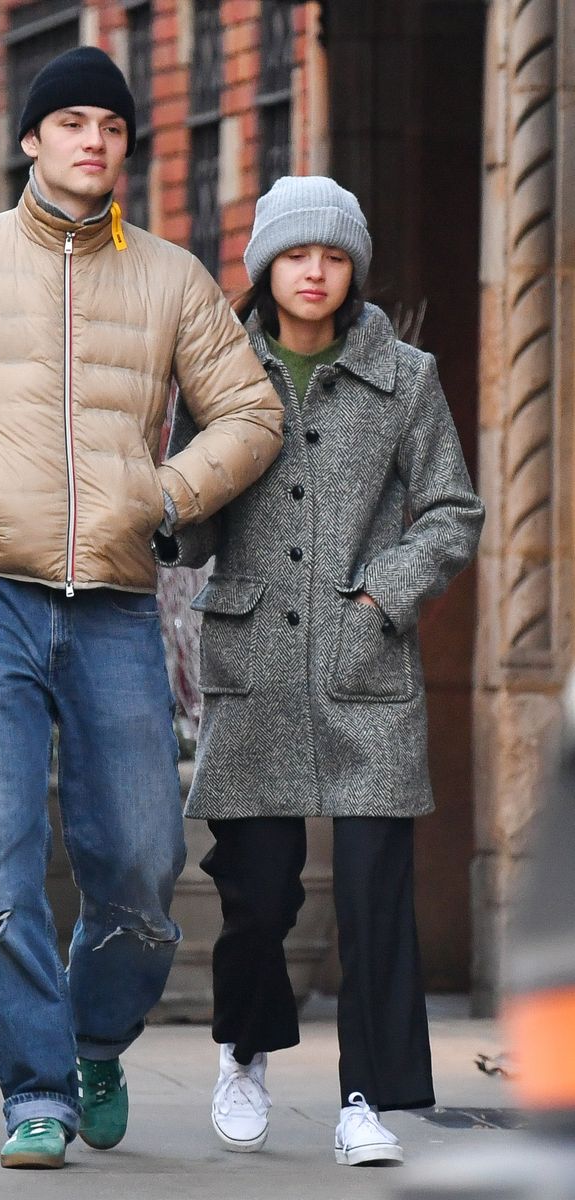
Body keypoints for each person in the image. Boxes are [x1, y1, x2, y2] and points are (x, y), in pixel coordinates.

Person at [0, 47, 283, 1170]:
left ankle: (95, 1036)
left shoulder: (172, 278)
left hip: (115, 609)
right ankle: (33, 1089)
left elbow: (247, 411)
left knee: (139, 865)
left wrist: (168, 492)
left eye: (112, 125)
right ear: (32, 140)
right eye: (72, 122)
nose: (94, 139)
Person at [155, 176, 485, 1164]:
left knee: (373, 895)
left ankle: (363, 1101)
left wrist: (383, 596)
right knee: (256, 894)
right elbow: (193, 514)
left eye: (331, 256)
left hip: (361, 669)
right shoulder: (220, 372)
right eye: (295, 254)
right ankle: (244, 1052)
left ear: (352, 270)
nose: (312, 271)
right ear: (264, 268)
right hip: (251, 663)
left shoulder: (406, 376)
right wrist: (172, 499)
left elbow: (449, 510)